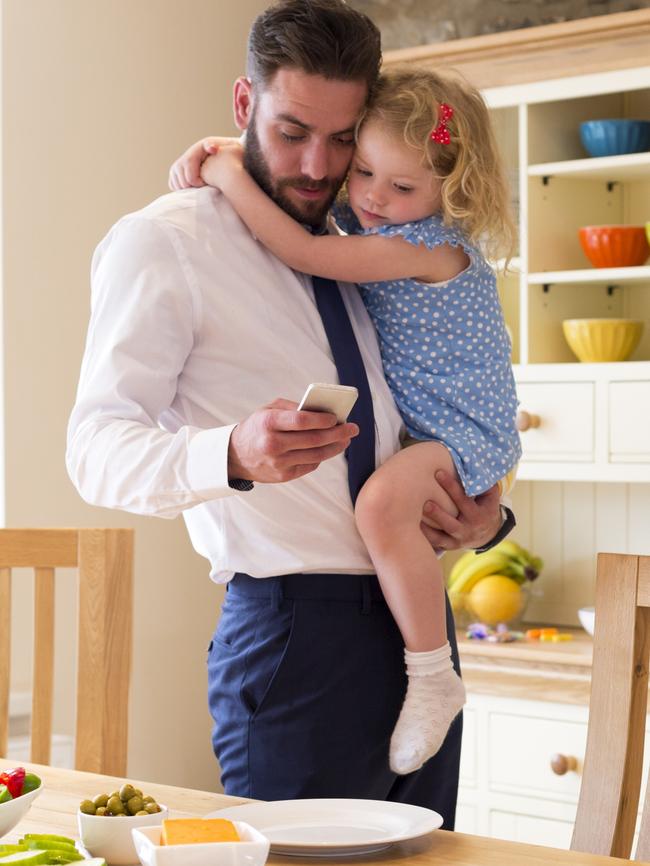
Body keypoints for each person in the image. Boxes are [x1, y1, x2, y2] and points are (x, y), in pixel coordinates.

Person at [67, 0, 515, 825]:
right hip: (295, 640)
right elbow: (93, 449)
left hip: (421, 627)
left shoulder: (370, 233)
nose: (319, 164)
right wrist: (230, 453)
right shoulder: (166, 243)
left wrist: (481, 518)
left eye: (344, 138)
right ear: (244, 107)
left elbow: (427, 393)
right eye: (292, 130)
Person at [168, 65, 520, 776]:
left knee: (381, 504)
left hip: (460, 435)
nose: (373, 197)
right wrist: (238, 153)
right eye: (363, 171)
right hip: (295, 620)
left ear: (445, 192)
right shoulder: (367, 224)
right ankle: (431, 670)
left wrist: (231, 169)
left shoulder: (418, 245)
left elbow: (304, 252)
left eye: (401, 187)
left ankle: (433, 677)